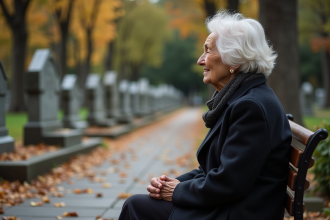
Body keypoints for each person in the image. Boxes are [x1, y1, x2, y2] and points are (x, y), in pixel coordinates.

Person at [118, 10, 291, 220]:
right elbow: (213, 170)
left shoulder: (250, 106)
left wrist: (176, 191)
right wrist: (171, 184)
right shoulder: (243, 98)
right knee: (139, 203)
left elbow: (229, 183)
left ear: (234, 60)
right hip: (231, 206)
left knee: (135, 205)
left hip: (237, 213)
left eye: (208, 51)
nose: (201, 61)